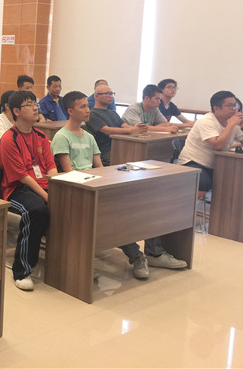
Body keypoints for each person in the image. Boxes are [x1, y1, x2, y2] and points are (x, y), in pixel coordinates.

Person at [52, 91, 186, 279]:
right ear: (70, 111)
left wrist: (107, 181)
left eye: (87, 106)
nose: (87, 110)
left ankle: (151, 253)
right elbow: (68, 173)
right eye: (82, 107)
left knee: (134, 206)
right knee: (115, 216)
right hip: (76, 190)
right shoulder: (62, 137)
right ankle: (137, 256)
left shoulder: (88, 137)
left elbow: (100, 167)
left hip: (94, 184)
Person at [0, 91, 57, 290]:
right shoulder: (9, 139)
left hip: (44, 186)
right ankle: (22, 270)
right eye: (29, 104)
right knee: (36, 210)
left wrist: (57, 189)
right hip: (17, 189)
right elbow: (22, 176)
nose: (35, 108)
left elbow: (51, 167)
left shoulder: (41, 136)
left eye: (35, 104)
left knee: (70, 202)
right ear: (16, 111)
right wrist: (47, 196)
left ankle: (63, 264)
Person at [178, 91, 243, 196]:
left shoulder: (233, 122)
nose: (234, 109)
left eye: (235, 105)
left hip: (216, 164)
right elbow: (218, 145)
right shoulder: (206, 121)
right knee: (204, 183)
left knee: (236, 181)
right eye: (229, 106)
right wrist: (231, 125)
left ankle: (223, 207)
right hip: (193, 162)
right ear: (216, 108)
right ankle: (186, 206)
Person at [86, 83, 147, 165]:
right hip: (105, 151)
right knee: (134, 159)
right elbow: (107, 130)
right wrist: (132, 130)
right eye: (107, 94)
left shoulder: (112, 113)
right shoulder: (92, 114)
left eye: (112, 94)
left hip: (120, 146)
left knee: (143, 155)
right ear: (96, 96)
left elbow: (125, 126)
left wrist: (138, 128)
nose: (111, 96)